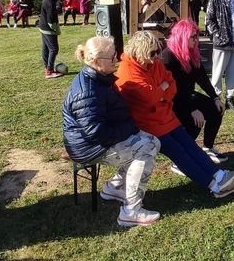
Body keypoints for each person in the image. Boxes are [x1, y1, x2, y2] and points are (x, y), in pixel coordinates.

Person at [115, 31, 234, 198]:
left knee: (189, 144)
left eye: (158, 51)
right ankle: (214, 186)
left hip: (164, 116)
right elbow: (150, 98)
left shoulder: (152, 62)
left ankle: (220, 175)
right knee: (178, 151)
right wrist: (161, 91)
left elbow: (170, 83)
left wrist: (160, 91)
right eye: (153, 53)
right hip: (147, 124)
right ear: (140, 52)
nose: (157, 57)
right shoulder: (128, 73)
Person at [62, 36, 162, 227]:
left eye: (115, 54)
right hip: (88, 146)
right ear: (96, 61)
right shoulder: (87, 91)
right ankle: (131, 211)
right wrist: (130, 128)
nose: (116, 59)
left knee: (148, 140)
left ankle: (114, 187)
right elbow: (97, 133)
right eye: (111, 57)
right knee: (147, 146)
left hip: (96, 139)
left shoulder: (98, 78)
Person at [160, 20, 228, 165]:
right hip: (171, 101)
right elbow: (172, 91)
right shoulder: (168, 57)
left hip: (187, 96)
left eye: (197, 36)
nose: (196, 40)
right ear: (182, 37)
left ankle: (207, 147)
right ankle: (181, 158)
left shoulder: (191, 53)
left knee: (216, 109)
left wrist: (215, 97)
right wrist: (192, 109)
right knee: (195, 120)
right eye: (193, 37)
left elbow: (202, 78)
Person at [40, 0, 66, 79]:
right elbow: (51, 20)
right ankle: (49, 71)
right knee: (54, 49)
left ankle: (47, 68)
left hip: (43, 26)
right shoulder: (50, 2)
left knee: (46, 48)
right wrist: (57, 30)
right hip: (48, 28)